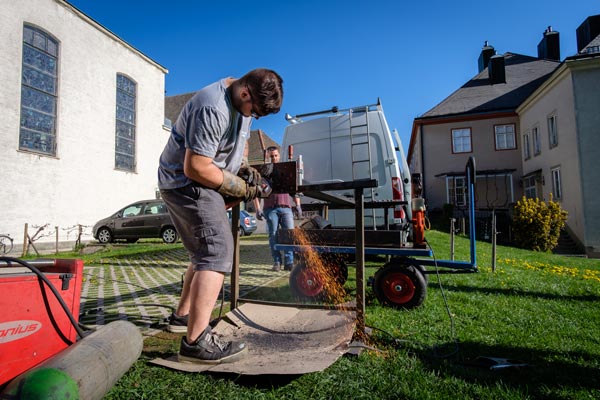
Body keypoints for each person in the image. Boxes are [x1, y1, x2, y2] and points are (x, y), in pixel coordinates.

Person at [157, 68, 283, 364]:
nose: (256, 118)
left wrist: (242, 169)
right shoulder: (211, 106)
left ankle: (182, 317)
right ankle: (195, 343)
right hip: (185, 182)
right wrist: (239, 187)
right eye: (256, 111)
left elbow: (234, 147)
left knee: (203, 254)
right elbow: (196, 167)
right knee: (217, 251)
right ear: (244, 93)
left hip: (201, 179)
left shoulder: (242, 105)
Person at [253, 146, 302, 272]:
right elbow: (255, 191)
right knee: (273, 235)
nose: (274, 158)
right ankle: (277, 262)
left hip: (286, 208)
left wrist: (298, 205)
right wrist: (258, 209)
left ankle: (289, 262)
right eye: (271, 156)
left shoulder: (285, 171)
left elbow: (294, 190)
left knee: (289, 234)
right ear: (268, 157)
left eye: (275, 155)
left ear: (279, 156)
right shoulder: (264, 173)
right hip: (270, 209)